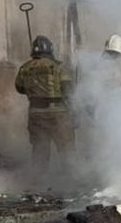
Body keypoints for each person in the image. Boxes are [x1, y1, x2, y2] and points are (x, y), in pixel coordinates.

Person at [14, 35, 75, 170]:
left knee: (40, 150)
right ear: (50, 49)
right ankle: (71, 180)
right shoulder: (59, 67)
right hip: (58, 113)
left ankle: (39, 182)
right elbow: (68, 90)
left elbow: (19, 88)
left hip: (36, 113)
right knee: (66, 149)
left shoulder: (25, 68)